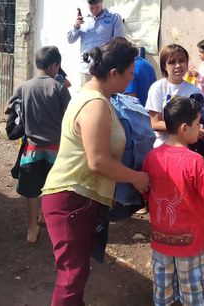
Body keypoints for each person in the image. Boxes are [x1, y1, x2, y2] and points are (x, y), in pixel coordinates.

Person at [40, 38, 149, 306]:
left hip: (79, 198)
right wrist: (136, 178)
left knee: (77, 272)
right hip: (71, 198)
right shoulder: (95, 105)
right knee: (71, 275)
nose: (131, 80)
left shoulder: (95, 98)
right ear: (114, 74)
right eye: (130, 75)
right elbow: (98, 161)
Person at [142, 96, 204, 306]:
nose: (201, 127)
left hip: (161, 242)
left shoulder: (152, 157)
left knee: (164, 293)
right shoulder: (195, 161)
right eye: (197, 123)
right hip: (190, 244)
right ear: (185, 128)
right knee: (194, 296)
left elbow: (147, 193)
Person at [6, 46, 70, 244]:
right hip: (56, 150)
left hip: (31, 151)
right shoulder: (59, 88)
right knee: (52, 189)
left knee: (32, 191)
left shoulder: (24, 87)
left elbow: (8, 109)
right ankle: (47, 219)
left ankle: (32, 230)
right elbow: (69, 116)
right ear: (53, 66)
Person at [145, 44, 203, 147]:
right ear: (164, 66)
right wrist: (185, 128)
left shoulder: (195, 91)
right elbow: (155, 123)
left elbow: (199, 121)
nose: (178, 66)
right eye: (172, 62)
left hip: (188, 148)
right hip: (163, 146)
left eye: (182, 61)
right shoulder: (157, 88)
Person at [67, 0, 125, 85]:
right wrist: (76, 26)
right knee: (86, 97)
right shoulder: (82, 18)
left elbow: (119, 44)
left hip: (104, 69)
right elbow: (70, 39)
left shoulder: (114, 18)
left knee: (103, 98)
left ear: (102, 2)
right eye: (91, 8)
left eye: (97, 7)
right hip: (86, 68)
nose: (94, 10)